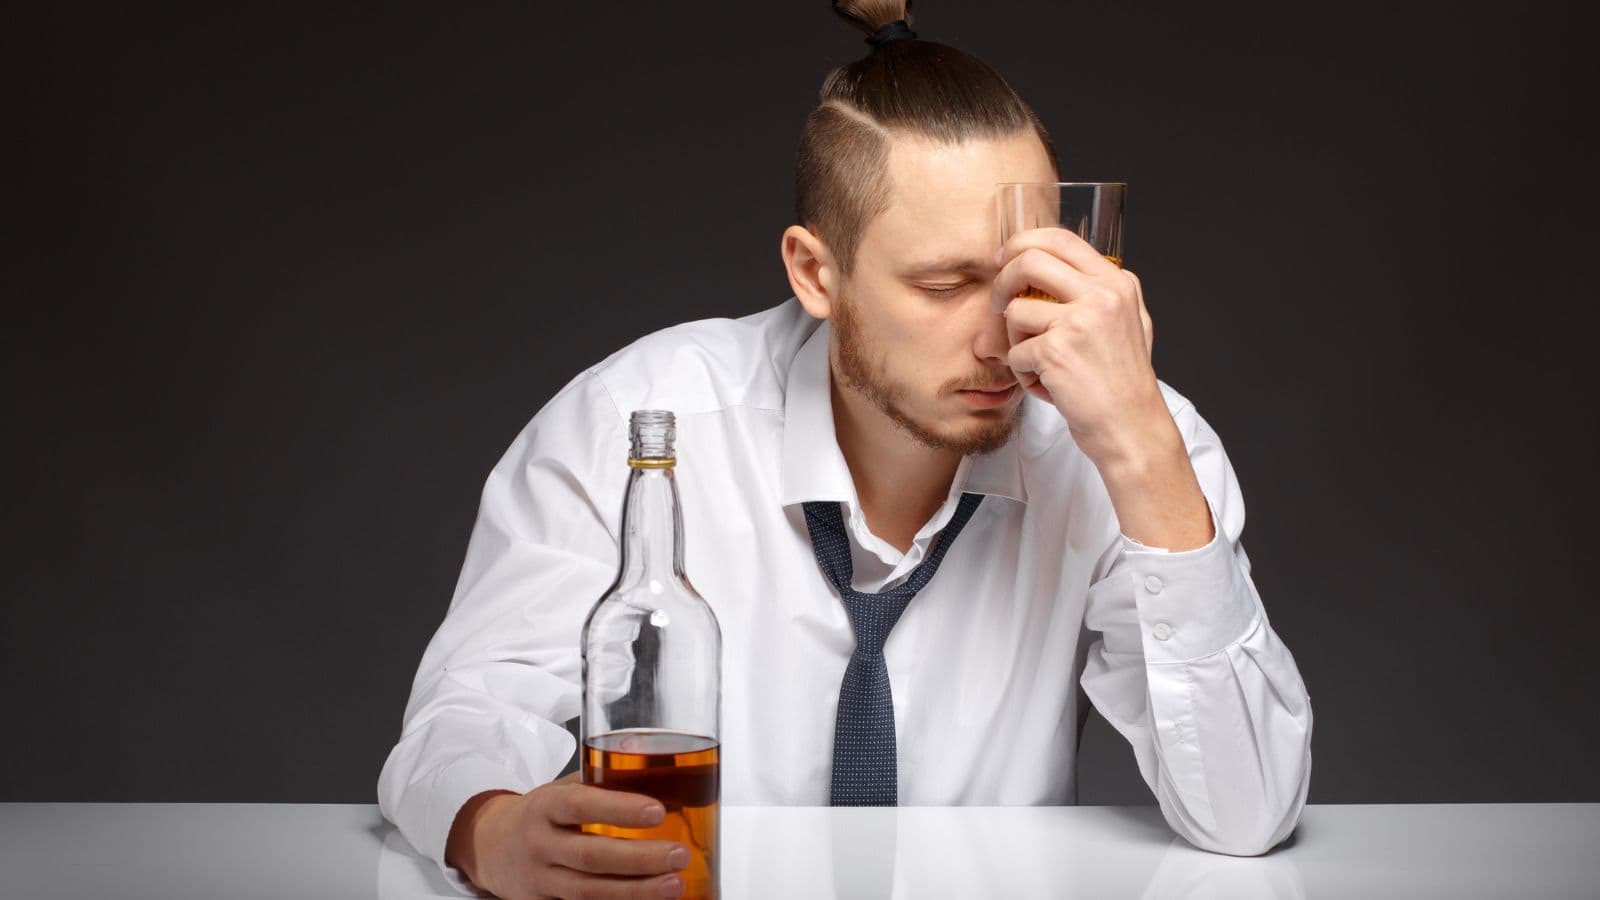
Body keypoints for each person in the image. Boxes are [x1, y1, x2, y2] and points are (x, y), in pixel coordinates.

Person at [377, 3, 1314, 897]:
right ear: (815, 272)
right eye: (946, 284)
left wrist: (1141, 447)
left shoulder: (1129, 436)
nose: (1001, 338)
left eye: (1029, 276)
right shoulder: (640, 421)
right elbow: (466, 715)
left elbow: (1246, 814)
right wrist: (494, 829)